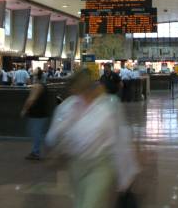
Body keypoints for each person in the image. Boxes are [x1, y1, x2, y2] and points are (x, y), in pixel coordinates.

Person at [45, 69, 139, 208]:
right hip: (76, 164)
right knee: (80, 202)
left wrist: (125, 175)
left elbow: (120, 138)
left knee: (90, 204)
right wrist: (56, 149)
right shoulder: (68, 106)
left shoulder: (108, 105)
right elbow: (53, 135)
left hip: (101, 164)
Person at [20, 78, 49, 160]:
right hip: (41, 114)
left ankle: (36, 152)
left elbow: (31, 99)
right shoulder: (44, 86)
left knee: (35, 133)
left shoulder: (37, 86)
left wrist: (24, 110)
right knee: (36, 133)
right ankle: (36, 151)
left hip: (37, 115)